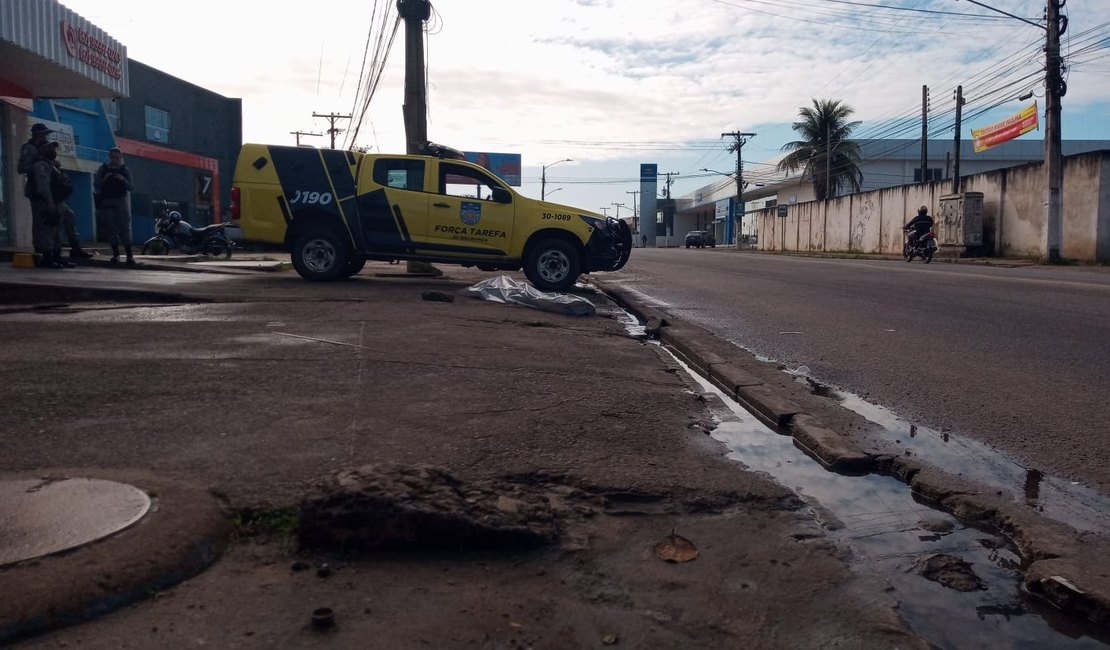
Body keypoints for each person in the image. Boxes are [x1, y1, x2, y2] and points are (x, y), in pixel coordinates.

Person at [25, 141, 69, 269]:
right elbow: (43, 186)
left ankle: (57, 257)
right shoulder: (41, 165)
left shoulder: (51, 165)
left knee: (55, 230)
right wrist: (49, 202)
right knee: (46, 230)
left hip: (55, 201)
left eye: (54, 148)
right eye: (50, 148)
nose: (53, 151)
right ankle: (47, 259)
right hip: (44, 202)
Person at [95, 147, 136, 266]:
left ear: (121, 158)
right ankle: (115, 254)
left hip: (120, 200)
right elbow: (96, 183)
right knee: (110, 228)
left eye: (117, 157)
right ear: (110, 157)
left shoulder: (125, 170)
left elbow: (131, 187)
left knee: (124, 228)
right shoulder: (103, 169)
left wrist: (122, 179)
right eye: (113, 157)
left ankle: (129, 256)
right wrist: (105, 179)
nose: (115, 160)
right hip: (107, 200)